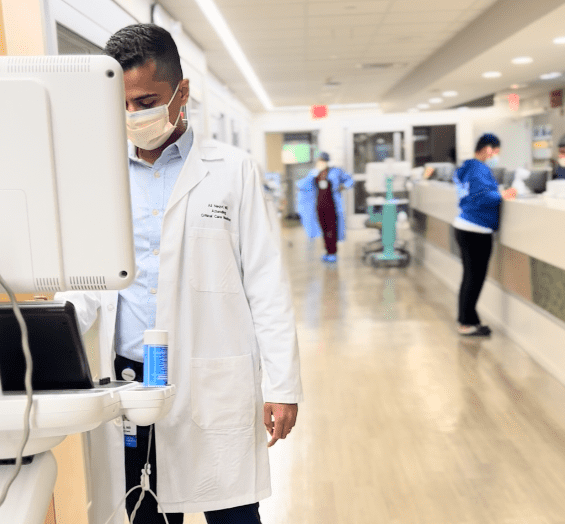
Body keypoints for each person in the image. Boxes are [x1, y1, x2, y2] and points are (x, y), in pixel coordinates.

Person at [56, 24, 303, 524]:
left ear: (181, 92)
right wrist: (45, 333)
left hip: (211, 376)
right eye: (121, 105)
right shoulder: (98, 174)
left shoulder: (232, 170)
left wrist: (284, 384)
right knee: (144, 512)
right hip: (127, 379)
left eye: (145, 101)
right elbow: (86, 283)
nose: (133, 116)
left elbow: (265, 284)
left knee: (232, 513)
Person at [452, 134, 514, 337]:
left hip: (466, 226)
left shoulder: (468, 167)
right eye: (496, 152)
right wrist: (501, 195)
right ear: (488, 149)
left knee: (470, 277)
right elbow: (482, 197)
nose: (496, 156)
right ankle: (466, 323)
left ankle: (469, 319)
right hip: (475, 229)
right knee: (474, 278)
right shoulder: (479, 168)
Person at [296, 152, 354, 263]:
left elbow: (350, 180)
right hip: (319, 206)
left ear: (327, 161)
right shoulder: (314, 173)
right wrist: (312, 175)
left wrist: (343, 186)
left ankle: (332, 253)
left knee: (332, 229)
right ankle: (328, 252)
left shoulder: (336, 171)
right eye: (319, 160)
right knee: (324, 229)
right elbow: (301, 186)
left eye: (322, 160)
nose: (320, 162)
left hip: (332, 206)